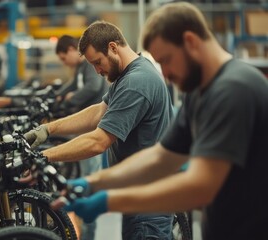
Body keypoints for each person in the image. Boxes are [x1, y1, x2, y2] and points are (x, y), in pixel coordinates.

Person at [51, 2, 268, 240]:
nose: (164, 75)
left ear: (190, 42)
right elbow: (161, 157)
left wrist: (109, 200)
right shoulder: (199, 92)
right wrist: (93, 183)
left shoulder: (234, 90)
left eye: (165, 60)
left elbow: (201, 187)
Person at [25, 21, 174, 239]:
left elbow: (98, 141)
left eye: (98, 62)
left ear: (113, 47)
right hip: (138, 195)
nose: (96, 70)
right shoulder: (130, 73)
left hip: (148, 203)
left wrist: (42, 157)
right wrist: (48, 129)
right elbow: (98, 112)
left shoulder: (136, 82)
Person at [54, 34, 109, 240]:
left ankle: (88, 232)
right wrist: (56, 95)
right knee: (86, 175)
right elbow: (71, 85)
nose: (63, 62)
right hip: (85, 127)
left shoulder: (88, 65)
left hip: (93, 127)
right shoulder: (79, 68)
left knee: (89, 180)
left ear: (71, 50)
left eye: (63, 57)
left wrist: (70, 100)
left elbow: (93, 87)